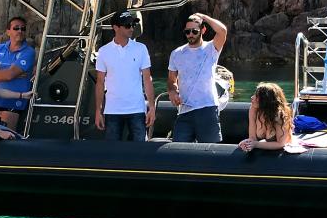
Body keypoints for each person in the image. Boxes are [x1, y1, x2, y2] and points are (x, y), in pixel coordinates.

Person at [93, 10, 155, 141]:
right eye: (127, 25)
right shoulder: (103, 52)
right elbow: (100, 82)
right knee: (112, 151)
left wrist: (152, 107)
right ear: (116, 27)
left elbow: (147, 79)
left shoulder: (141, 48)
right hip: (112, 110)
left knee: (139, 149)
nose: (131, 28)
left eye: (133, 25)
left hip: (137, 109)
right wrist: (98, 111)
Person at [168, 12, 228, 142]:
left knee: (210, 149)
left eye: (194, 31)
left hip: (207, 108)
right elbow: (172, 80)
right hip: (184, 110)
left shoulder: (211, 48)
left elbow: (222, 31)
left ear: (203, 30)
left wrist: (204, 17)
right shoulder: (176, 53)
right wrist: (172, 91)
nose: (190, 34)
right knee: (178, 149)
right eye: (187, 32)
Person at [0, 16, 38, 131]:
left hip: (13, 104)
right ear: (8, 31)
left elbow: (9, 75)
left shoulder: (29, 52)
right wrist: (8, 74)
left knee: (6, 137)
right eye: (16, 28)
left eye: (23, 28)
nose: (20, 31)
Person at [239, 82, 295, 152]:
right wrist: (248, 144)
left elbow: (281, 143)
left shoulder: (279, 116)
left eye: (257, 96)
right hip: (262, 146)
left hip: (279, 151)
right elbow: (252, 138)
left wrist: (256, 144)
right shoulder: (253, 109)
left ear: (266, 100)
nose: (252, 97)